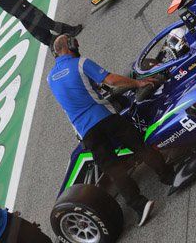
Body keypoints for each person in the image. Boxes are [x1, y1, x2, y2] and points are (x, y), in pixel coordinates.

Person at [47, 35, 173, 227]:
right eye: (76, 44)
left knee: (114, 170)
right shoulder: (79, 63)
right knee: (140, 146)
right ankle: (168, 176)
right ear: (70, 46)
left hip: (85, 131)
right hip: (104, 116)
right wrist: (139, 83)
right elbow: (111, 80)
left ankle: (140, 206)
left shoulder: (50, 79)